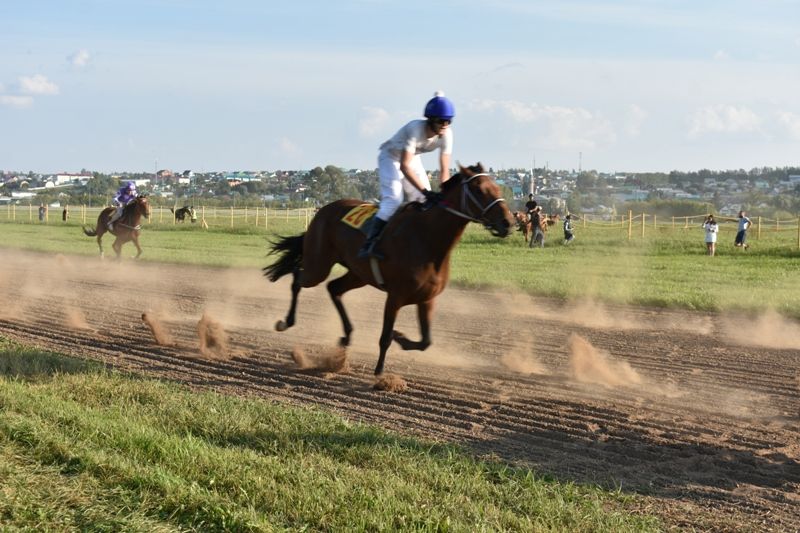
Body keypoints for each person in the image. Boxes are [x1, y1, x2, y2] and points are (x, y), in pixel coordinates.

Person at [358, 91, 454, 259]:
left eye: (449, 121)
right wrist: (425, 190)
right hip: (390, 157)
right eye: (441, 121)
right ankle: (369, 245)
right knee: (393, 201)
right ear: (431, 120)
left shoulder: (447, 135)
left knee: (425, 202)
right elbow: (404, 166)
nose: (445, 125)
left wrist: (444, 194)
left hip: (412, 159)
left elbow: (444, 170)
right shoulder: (415, 129)